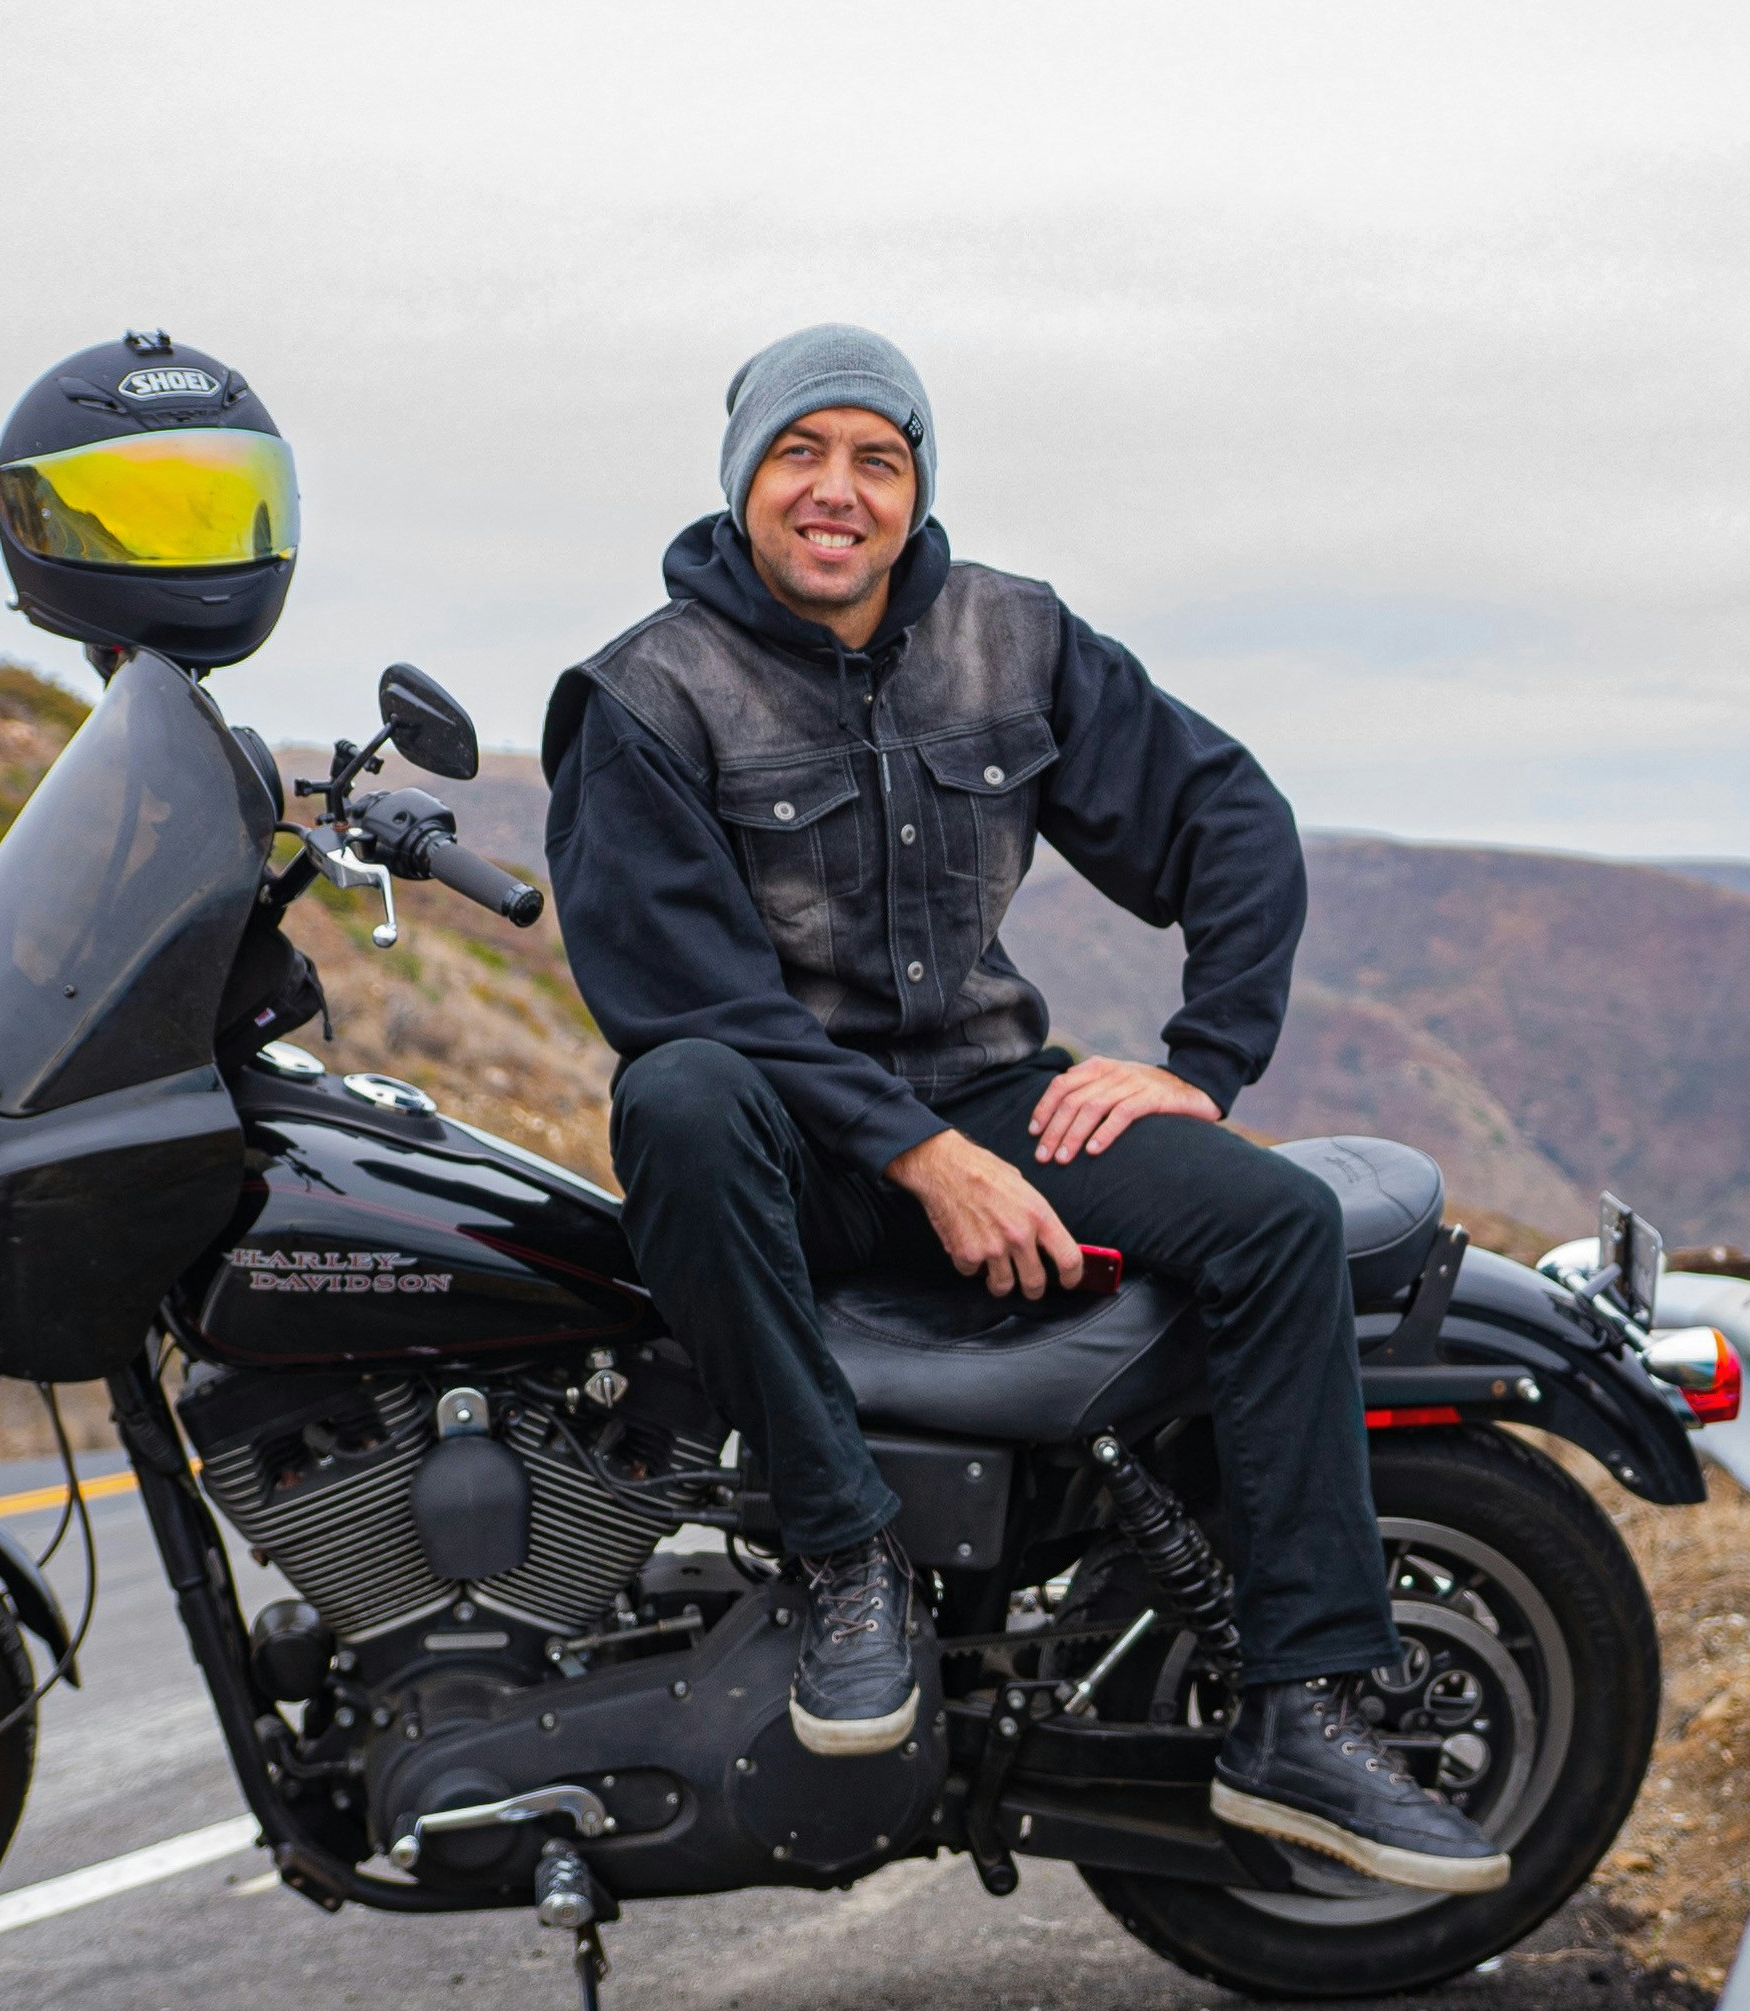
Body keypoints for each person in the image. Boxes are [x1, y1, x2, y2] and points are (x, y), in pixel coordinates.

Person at [539, 326, 1506, 1893]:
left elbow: (1228, 816)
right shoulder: (645, 693)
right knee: (680, 1097)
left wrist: (1198, 1062)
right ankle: (846, 1558)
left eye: (876, 458)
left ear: (916, 487)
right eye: (800, 453)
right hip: (792, 1139)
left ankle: (1301, 1712)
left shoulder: (1012, 637)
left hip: (993, 1096)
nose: (836, 490)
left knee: (1275, 1222)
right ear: (742, 478)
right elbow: (683, 995)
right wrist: (918, 1158)